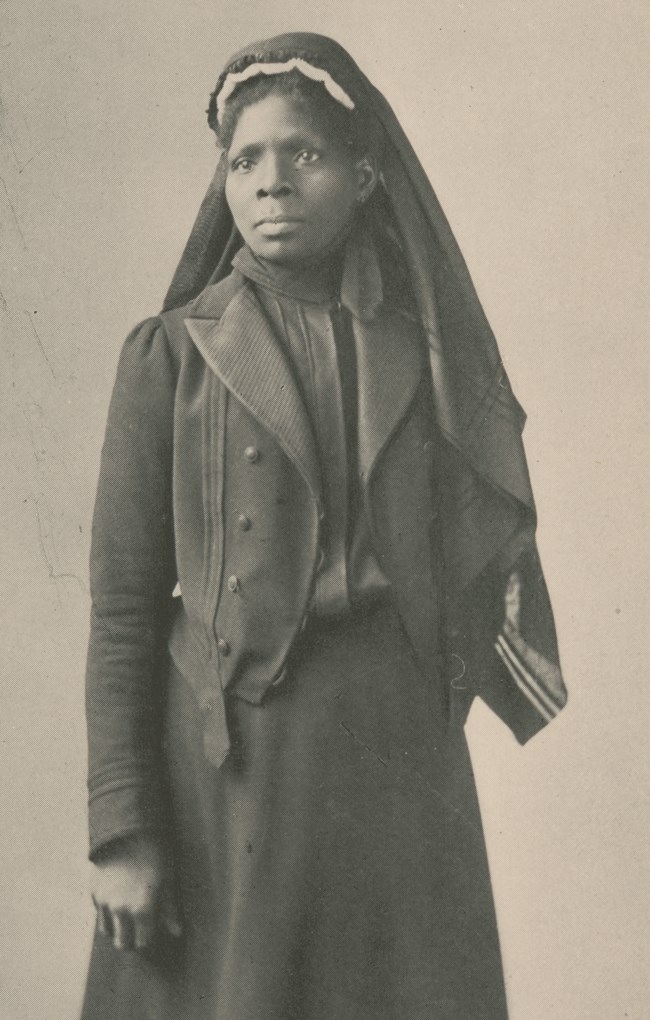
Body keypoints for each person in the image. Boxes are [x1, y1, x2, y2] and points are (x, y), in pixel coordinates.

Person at [82, 32, 567, 1020]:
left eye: (301, 155)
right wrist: (121, 827)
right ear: (221, 182)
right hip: (231, 777)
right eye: (243, 160)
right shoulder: (168, 361)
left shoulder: (426, 361)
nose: (270, 183)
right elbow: (125, 614)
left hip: (394, 762)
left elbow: (470, 550)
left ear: (364, 174)